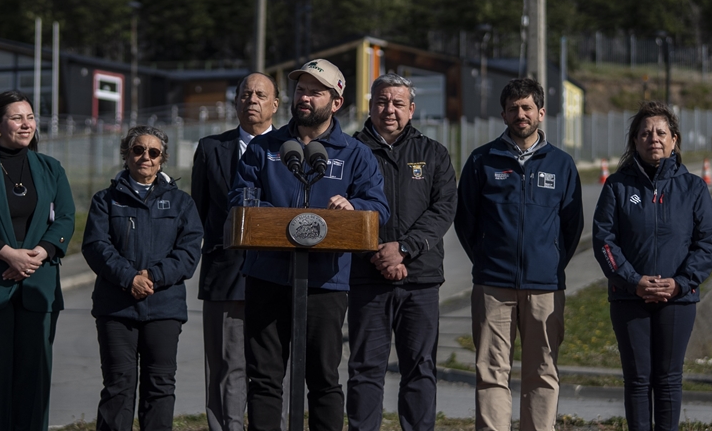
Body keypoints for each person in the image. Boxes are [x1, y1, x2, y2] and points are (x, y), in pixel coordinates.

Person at [232, 58, 390, 431]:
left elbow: (377, 207)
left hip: (325, 283)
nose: (304, 97)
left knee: (322, 378)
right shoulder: (264, 147)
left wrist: (353, 208)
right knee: (265, 378)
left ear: (336, 102)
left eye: (315, 92)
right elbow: (241, 198)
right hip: (267, 278)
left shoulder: (355, 154)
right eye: (301, 90)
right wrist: (275, 217)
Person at [455, 78, 583, 431]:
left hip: (545, 288)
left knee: (542, 372)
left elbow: (572, 226)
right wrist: (485, 259)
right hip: (493, 286)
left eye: (527, 107)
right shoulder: (482, 160)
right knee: (492, 372)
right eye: (513, 108)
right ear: (503, 114)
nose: (520, 114)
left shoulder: (561, 164)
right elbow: (465, 220)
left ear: (541, 113)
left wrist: (550, 262)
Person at [0, 90, 75, 431]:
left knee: (34, 380)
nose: (26, 124)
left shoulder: (50, 168)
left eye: (31, 117)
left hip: (39, 288)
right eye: (17, 118)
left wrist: (42, 252)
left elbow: (65, 217)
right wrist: (8, 254)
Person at [592, 101, 712, 431]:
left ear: (674, 139)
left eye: (661, 132)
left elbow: (707, 242)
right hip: (629, 299)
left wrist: (680, 283)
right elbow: (604, 241)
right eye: (645, 133)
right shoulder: (617, 186)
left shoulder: (693, 187)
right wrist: (633, 281)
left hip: (677, 301)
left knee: (668, 380)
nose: (654, 139)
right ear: (635, 141)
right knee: (637, 380)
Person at [347, 73, 457, 431]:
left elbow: (443, 209)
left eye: (397, 103)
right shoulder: (349, 152)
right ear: (370, 106)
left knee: (420, 368)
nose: (388, 110)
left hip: (420, 280)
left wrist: (405, 250)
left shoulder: (433, 154)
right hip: (367, 278)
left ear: (411, 109)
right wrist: (378, 255)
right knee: (365, 368)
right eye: (382, 101)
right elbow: (343, 212)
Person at [82, 126, 203, 431]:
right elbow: (96, 247)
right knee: (118, 386)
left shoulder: (182, 204)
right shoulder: (104, 201)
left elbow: (188, 252)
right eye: (138, 150)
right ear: (126, 155)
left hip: (164, 309)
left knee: (160, 388)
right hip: (116, 309)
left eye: (153, 152)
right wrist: (129, 278)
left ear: (162, 159)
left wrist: (153, 277)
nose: (145, 157)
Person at [191, 73, 280, 431]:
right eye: (245, 94)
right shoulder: (211, 148)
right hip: (224, 275)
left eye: (261, 94)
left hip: (276, 273)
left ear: (275, 104)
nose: (252, 100)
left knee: (272, 367)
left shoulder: (292, 149)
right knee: (224, 366)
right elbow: (198, 212)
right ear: (236, 102)